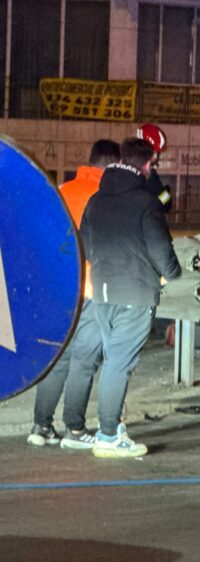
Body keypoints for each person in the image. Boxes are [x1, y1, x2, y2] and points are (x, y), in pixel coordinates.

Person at [80, 137, 181, 458]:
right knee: (119, 365)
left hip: (104, 290)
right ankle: (108, 434)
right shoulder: (145, 201)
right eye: (153, 164)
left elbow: (86, 243)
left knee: (113, 360)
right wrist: (173, 272)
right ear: (146, 164)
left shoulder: (97, 199)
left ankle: (114, 425)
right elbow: (160, 246)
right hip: (134, 292)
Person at [26, 139, 120, 449]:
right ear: (110, 165)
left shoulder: (63, 191)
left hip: (60, 290)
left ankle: (41, 426)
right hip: (93, 288)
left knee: (60, 357)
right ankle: (75, 429)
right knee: (84, 360)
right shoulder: (106, 197)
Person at [136, 122, 172, 213]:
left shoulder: (124, 165)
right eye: (157, 153)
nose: (157, 157)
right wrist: (166, 192)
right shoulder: (149, 175)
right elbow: (166, 204)